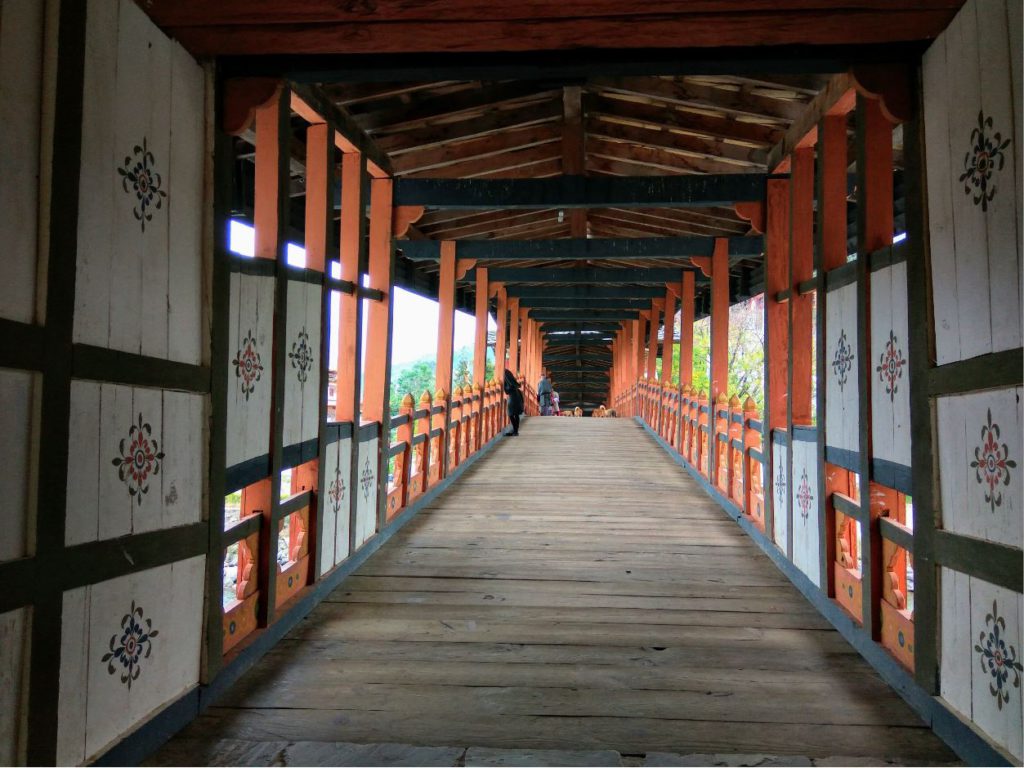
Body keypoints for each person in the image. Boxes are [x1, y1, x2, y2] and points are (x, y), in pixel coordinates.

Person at [503, 369, 524, 436]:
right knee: (516, 414)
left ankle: (515, 430)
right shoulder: (511, 378)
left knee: (511, 414)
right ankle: (515, 430)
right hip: (517, 395)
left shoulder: (506, 378)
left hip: (513, 397)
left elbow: (507, 391)